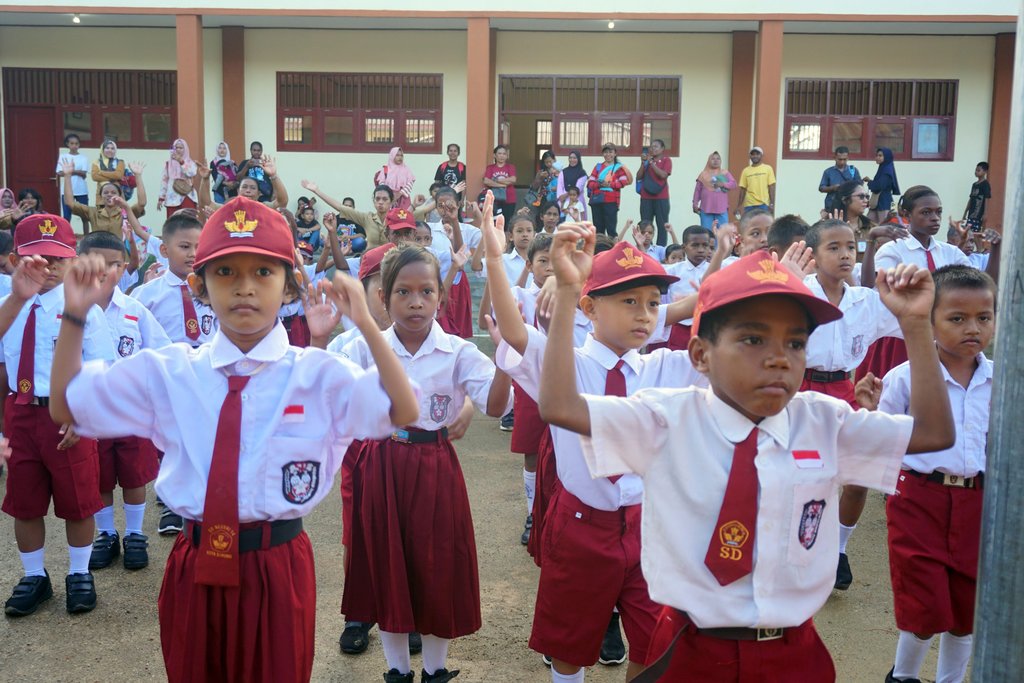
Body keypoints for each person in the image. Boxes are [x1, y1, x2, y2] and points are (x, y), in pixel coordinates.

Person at [538, 226, 956, 682]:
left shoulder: (824, 421)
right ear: (700, 355)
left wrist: (916, 326)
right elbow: (560, 406)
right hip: (691, 647)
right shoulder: (667, 420)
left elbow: (934, 433)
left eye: (795, 342)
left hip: (793, 651)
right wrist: (566, 291)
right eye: (754, 340)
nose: (779, 358)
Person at [47, 196, 417, 683]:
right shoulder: (173, 371)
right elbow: (67, 407)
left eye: (264, 272)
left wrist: (368, 324)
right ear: (199, 284)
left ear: (290, 288)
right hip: (194, 561)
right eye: (226, 273)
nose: (245, 288)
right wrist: (74, 315)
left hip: (277, 565)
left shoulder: (318, 375)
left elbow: (402, 411)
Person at [339, 243, 512, 683]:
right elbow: (328, 391)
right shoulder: (363, 348)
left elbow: (496, 406)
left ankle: (436, 670)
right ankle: (396, 671)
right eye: (403, 292)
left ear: (442, 296)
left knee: (437, 566)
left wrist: (506, 359)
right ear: (383, 297)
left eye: (426, 292)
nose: (416, 303)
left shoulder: (457, 351)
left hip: (436, 464)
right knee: (387, 563)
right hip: (381, 463)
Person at [875, 265, 994, 683]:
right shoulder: (905, 378)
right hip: (918, 499)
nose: (973, 329)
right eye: (957, 318)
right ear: (929, 320)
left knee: (967, 606)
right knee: (923, 605)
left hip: (977, 501)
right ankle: (903, 676)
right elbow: (882, 435)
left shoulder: (1000, 381)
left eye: (984, 317)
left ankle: (950, 680)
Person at [0, 214, 116, 617]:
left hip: (67, 415)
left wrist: (82, 415)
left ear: (73, 261)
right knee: (23, 501)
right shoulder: (9, 307)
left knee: (78, 500)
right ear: (15, 260)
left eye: (57, 259)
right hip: (21, 413)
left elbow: (102, 366)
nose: (47, 267)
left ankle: (79, 573)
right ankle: (34, 576)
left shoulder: (83, 308)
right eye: (36, 258)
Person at [75, 231, 172, 573]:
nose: (104, 270)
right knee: (98, 477)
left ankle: (133, 535)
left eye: (113, 264)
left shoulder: (134, 309)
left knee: (133, 475)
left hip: (131, 410)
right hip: (92, 411)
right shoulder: (72, 310)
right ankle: (106, 534)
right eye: (95, 262)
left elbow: (159, 351)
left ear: (125, 266)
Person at [63, 160, 148, 236]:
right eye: (106, 192)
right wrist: (67, 176)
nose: (109, 194)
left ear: (120, 196)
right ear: (101, 196)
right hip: (99, 253)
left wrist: (138, 176)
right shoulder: (93, 212)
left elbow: (142, 203)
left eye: (113, 192)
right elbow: (70, 203)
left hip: (120, 253)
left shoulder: (127, 213)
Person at [587, 144, 632, 238]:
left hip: (611, 202)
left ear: (615, 153)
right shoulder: (598, 167)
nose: (608, 154)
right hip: (597, 201)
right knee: (598, 231)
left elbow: (623, 182)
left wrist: (609, 185)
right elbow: (590, 183)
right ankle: (600, 250)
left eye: (610, 152)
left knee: (611, 230)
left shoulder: (619, 168)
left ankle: (612, 251)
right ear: (603, 154)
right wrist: (599, 184)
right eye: (606, 152)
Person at [637, 139, 672, 246]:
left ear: (662, 149)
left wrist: (651, 163)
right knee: (645, 225)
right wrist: (644, 163)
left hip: (661, 197)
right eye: (651, 147)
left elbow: (663, 175)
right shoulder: (647, 161)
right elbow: (639, 176)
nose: (653, 149)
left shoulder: (667, 160)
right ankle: (646, 249)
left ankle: (661, 249)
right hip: (646, 197)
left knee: (662, 225)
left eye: (656, 146)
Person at [55, 134, 91, 233]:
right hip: (67, 191)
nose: (74, 146)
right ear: (67, 144)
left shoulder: (83, 158)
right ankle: (66, 237)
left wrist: (69, 171)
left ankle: (86, 237)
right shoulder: (63, 156)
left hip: (81, 190)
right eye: (72, 143)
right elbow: (59, 172)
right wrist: (76, 171)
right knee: (67, 216)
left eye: (76, 143)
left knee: (85, 216)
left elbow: (83, 174)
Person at [692, 151, 736, 230]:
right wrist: (695, 203)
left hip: (721, 208)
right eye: (713, 159)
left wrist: (723, 184)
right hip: (706, 208)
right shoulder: (703, 174)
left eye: (718, 159)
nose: (716, 161)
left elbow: (733, 184)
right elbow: (697, 190)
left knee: (723, 233)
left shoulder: (724, 173)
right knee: (707, 233)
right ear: (709, 161)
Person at [158, 139, 198, 219]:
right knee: (173, 223)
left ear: (185, 149)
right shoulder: (168, 164)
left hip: (187, 195)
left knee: (189, 221)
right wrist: (161, 197)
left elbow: (192, 173)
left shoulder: (190, 163)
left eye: (181, 148)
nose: (178, 150)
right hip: (172, 197)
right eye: (176, 148)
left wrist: (181, 162)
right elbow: (164, 181)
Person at [733, 146, 776, 218]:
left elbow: (771, 187)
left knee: (763, 226)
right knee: (750, 226)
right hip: (749, 205)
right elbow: (743, 189)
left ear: (761, 155)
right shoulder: (745, 171)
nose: (755, 156)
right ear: (750, 156)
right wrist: (739, 206)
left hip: (763, 205)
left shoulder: (768, 168)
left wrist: (772, 204)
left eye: (757, 154)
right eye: (753, 154)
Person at [864, 147, 901, 225]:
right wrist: (870, 182)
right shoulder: (883, 168)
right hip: (878, 202)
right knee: (869, 224)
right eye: (877, 155)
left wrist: (870, 182)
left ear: (887, 157)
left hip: (884, 202)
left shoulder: (887, 170)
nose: (877, 157)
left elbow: (879, 186)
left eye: (880, 156)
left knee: (884, 225)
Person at [819, 146, 861, 213]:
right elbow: (821, 188)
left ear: (848, 158)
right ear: (835, 158)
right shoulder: (828, 171)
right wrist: (832, 188)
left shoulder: (853, 170)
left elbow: (859, 185)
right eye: (840, 159)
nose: (842, 162)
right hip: (832, 203)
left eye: (844, 159)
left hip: (849, 204)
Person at [90, 140, 132, 205]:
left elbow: (118, 175)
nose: (110, 150)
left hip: (117, 192)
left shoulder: (120, 162)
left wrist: (101, 172)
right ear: (102, 149)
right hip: (101, 193)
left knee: (119, 211)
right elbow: (94, 177)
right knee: (101, 212)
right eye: (107, 148)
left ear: (115, 150)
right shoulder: (96, 162)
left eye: (112, 148)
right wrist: (113, 177)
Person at [375, 147, 416, 211]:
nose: (400, 158)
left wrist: (399, 194)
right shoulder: (386, 169)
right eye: (397, 155)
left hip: (402, 199)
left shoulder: (406, 169)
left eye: (401, 155)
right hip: (388, 198)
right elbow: (382, 183)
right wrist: (390, 195)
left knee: (403, 217)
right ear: (392, 156)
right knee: (388, 216)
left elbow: (410, 183)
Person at [483, 145, 518, 219]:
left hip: (509, 198)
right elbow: (486, 181)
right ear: (495, 155)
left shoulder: (510, 167)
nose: (502, 156)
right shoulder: (490, 168)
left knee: (507, 222)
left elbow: (513, 180)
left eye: (504, 154)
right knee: (494, 221)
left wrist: (496, 180)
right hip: (494, 199)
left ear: (506, 156)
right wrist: (503, 185)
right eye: (499, 153)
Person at [556, 151, 588, 221]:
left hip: (577, 202)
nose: (572, 160)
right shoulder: (563, 172)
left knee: (576, 224)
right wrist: (561, 197)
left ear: (578, 159)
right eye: (570, 158)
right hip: (563, 203)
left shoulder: (582, 173)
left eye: (574, 158)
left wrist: (566, 195)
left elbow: (577, 189)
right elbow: (559, 187)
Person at [961, 161, 990, 231]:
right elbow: (971, 199)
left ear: (985, 172)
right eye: (976, 170)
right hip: (971, 213)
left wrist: (985, 213)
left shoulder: (985, 184)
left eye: (978, 170)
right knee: (968, 231)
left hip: (978, 214)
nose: (976, 172)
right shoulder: (974, 185)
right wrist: (965, 212)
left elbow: (987, 199)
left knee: (975, 233)